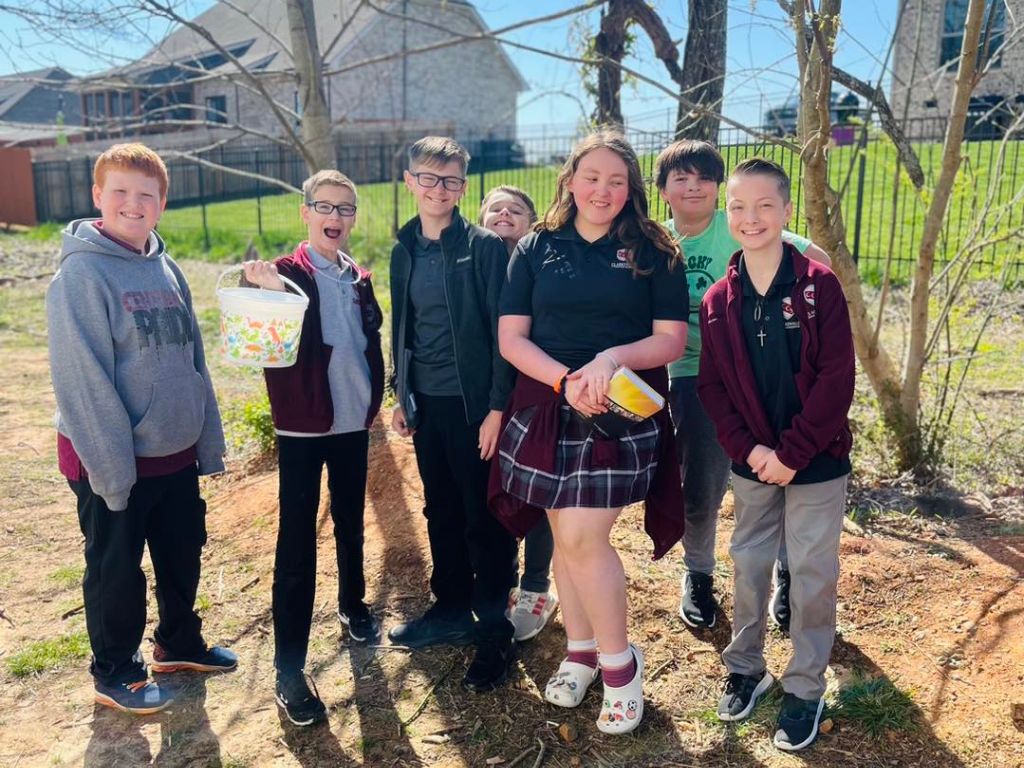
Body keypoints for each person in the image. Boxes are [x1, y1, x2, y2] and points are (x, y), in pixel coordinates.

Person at [491, 131, 688, 735]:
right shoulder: (535, 246)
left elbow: (670, 339)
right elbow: (512, 337)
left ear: (630, 191)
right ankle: (579, 651)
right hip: (549, 405)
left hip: (620, 411)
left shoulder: (656, 250)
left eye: (617, 180)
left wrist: (609, 360)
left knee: (580, 536)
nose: (603, 190)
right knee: (562, 532)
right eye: (592, 176)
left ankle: (621, 666)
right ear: (570, 180)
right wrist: (562, 379)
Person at [46, 142, 235, 715]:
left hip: (173, 454)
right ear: (97, 196)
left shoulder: (165, 263)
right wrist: (113, 472)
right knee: (116, 567)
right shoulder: (80, 275)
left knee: (183, 551)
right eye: (120, 192)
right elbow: (84, 383)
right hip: (113, 459)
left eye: (146, 195)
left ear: (162, 204)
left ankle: (177, 643)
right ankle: (114, 670)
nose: (133, 204)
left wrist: (206, 442)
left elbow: (193, 360)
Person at [697, 158, 854, 751]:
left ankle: (805, 685)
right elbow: (711, 386)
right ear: (726, 214)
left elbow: (836, 381)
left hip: (815, 460)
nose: (750, 217)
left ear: (787, 211)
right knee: (748, 563)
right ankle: (746, 666)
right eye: (738, 207)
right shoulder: (718, 300)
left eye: (764, 205)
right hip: (753, 461)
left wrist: (790, 452)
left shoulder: (819, 286)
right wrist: (754, 449)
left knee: (812, 573)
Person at [654, 139, 831, 632]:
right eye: (680, 178)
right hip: (690, 374)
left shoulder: (734, 228)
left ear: (718, 189)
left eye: (704, 178)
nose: (693, 186)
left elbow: (813, 257)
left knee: (775, 479)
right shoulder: (656, 241)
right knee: (702, 486)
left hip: (754, 374)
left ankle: (787, 574)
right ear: (663, 188)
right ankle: (698, 573)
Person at [241, 170, 385, 727]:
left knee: (350, 523)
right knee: (296, 543)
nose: (336, 216)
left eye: (346, 208)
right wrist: (270, 297)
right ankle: (288, 670)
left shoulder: (359, 278)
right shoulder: (279, 275)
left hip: (353, 424)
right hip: (304, 430)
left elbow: (368, 344)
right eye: (325, 206)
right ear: (305, 212)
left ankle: (353, 607)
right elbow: (260, 348)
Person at [388, 137, 519, 693]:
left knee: (482, 515)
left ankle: (495, 631)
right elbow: (403, 327)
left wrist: (496, 407)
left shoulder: (484, 246)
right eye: (429, 178)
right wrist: (402, 392)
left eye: (451, 181)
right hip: (428, 403)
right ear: (409, 181)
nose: (439, 190)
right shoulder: (403, 251)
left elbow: (503, 333)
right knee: (439, 506)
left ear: (463, 187)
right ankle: (449, 609)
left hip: (475, 407)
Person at [478, 185, 558, 643]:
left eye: (517, 210)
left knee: (539, 491)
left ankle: (535, 586)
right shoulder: (471, 261)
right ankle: (500, 580)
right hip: (486, 396)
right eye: (496, 208)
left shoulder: (537, 264)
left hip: (532, 389)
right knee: (496, 488)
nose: (505, 214)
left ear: (531, 222)